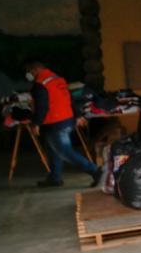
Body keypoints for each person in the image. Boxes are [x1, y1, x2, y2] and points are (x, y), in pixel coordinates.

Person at [24, 59, 101, 188]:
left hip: (55, 122)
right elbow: (69, 99)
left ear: (36, 70)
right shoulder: (58, 79)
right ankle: (55, 178)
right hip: (65, 119)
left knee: (64, 151)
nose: (28, 74)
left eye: (29, 71)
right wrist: (77, 115)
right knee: (52, 149)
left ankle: (95, 170)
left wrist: (35, 123)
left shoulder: (40, 84)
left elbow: (42, 106)